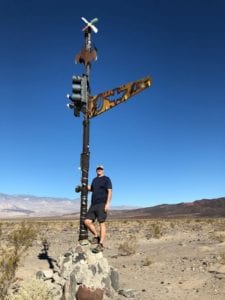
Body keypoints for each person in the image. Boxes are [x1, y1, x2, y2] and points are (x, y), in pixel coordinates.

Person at [84, 165, 112, 253]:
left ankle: (101, 244)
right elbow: (92, 189)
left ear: (103, 170)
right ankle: (96, 236)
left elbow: (110, 191)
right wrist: (84, 185)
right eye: (98, 169)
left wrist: (107, 203)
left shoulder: (106, 179)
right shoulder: (94, 180)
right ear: (96, 170)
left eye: (101, 169)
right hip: (93, 204)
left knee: (101, 223)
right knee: (87, 221)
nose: (99, 170)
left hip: (102, 203)